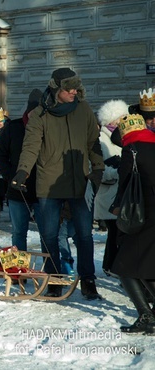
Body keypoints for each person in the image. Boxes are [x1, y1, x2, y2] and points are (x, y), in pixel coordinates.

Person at [12, 68, 104, 300]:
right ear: (56, 89)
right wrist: (23, 171)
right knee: (49, 235)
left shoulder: (83, 109)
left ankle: (88, 280)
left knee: (84, 235)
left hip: (79, 184)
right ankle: (53, 279)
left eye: (76, 88)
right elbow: (30, 146)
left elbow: (93, 141)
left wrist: (99, 168)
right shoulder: (40, 115)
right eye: (69, 88)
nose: (74, 91)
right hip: (49, 185)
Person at [110, 114, 155, 333]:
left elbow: (125, 184)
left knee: (124, 266)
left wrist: (116, 207)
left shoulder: (132, 150)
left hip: (143, 215)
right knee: (146, 265)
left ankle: (146, 316)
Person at [0, 89, 42, 251]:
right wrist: (10, 176)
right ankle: (18, 270)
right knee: (19, 232)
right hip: (17, 190)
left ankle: (49, 268)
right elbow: (0, 155)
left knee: (47, 233)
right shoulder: (13, 128)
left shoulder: (48, 127)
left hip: (43, 190)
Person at [88, 99, 129, 275]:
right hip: (109, 196)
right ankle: (111, 266)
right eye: (121, 118)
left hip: (121, 193)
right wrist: (118, 170)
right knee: (115, 234)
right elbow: (97, 170)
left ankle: (111, 265)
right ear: (112, 120)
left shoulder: (124, 138)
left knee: (117, 234)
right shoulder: (102, 139)